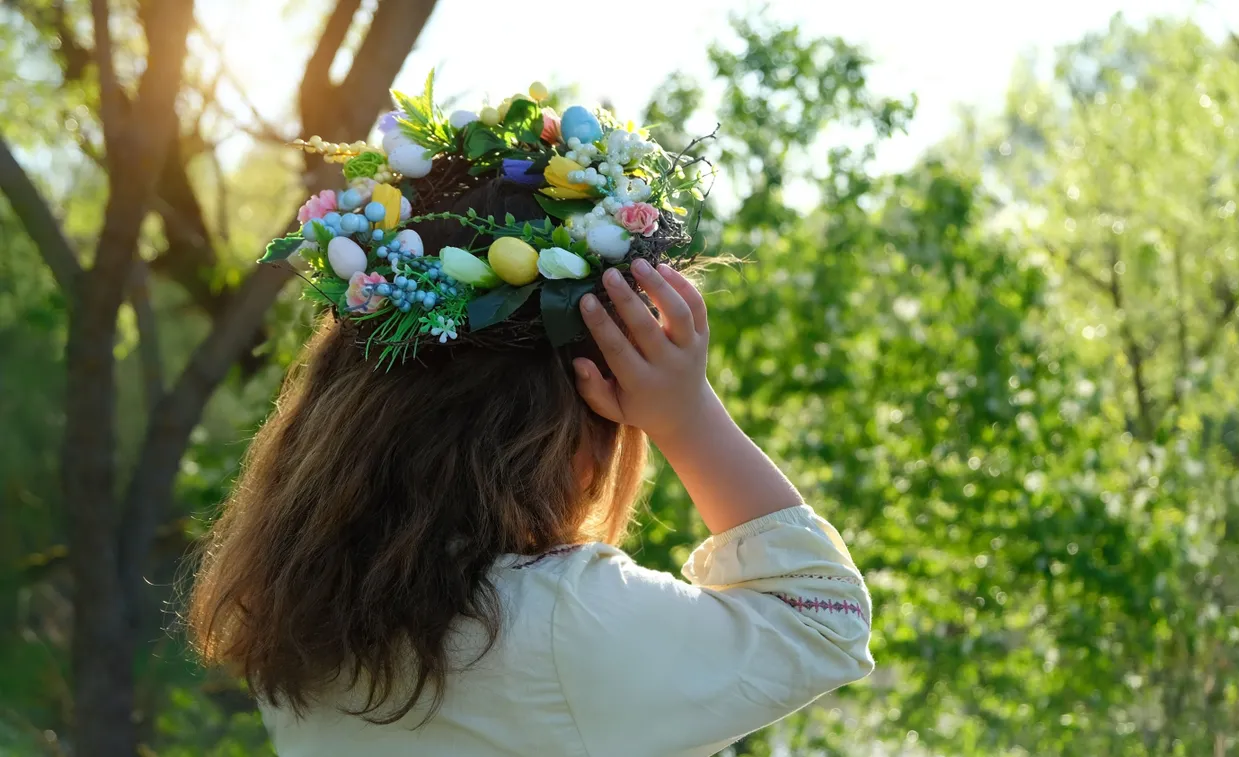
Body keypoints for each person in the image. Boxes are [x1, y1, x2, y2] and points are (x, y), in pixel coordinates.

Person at [188, 81, 873, 757]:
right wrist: (688, 418)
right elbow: (821, 621)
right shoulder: (554, 625)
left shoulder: (300, 622)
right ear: (560, 426)